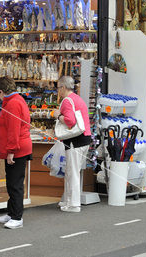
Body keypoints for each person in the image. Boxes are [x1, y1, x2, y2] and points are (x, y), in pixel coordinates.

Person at [0, 76, 31, 229]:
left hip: (18, 150)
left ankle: (17, 217)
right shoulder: (13, 101)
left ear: (1, 91)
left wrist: (11, 151)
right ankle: (11, 212)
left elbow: (13, 130)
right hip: (17, 148)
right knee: (11, 183)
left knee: (15, 184)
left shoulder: (13, 103)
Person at [56, 75, 91, 213]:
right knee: (74, 172)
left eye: (58, 88)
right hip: (84, 139)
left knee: (72, 173)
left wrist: (57, 116)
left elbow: (70, 121)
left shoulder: (67, 101)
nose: (58, 91)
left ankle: (74, 204)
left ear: (63, 87)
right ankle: (68, 201)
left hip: (74, 141)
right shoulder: (78, 99)